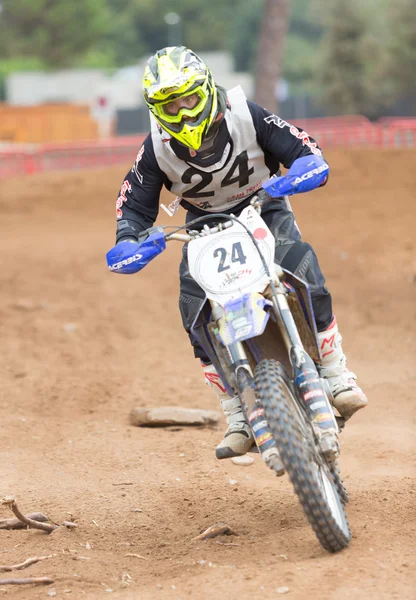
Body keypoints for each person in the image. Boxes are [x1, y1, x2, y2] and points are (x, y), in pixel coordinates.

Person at [113, 45, 368, 459]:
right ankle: (236, 411)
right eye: (169, 106)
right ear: (155, 109)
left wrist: (300, 173)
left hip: (263, 208)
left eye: (189, 99)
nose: (181, 113)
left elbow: (304, 149)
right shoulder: (156, 149)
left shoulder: (245, 113)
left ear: (207, 88)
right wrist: (130, 242)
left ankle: (337, 372)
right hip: (201, 229)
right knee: (192, 307)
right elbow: (132, 206)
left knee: (301, 264)